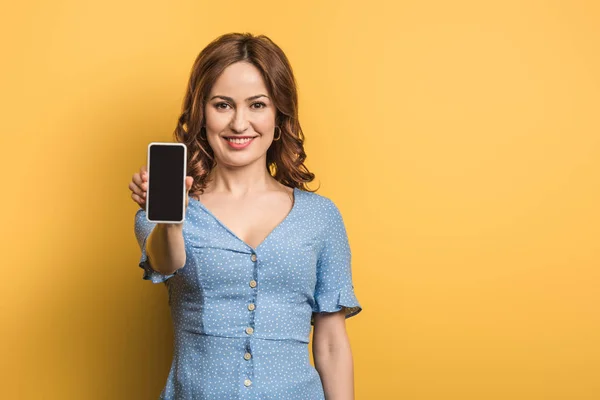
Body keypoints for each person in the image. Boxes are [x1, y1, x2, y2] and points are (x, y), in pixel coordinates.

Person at [128, 32, 362, 400]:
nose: (239, 124)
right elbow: (164, 260)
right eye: (222, 105)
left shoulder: (321, 218)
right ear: (200, 113)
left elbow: (332, 342)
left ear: (279, 114)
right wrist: (172, 218)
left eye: (257, 105)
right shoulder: (163, 210)